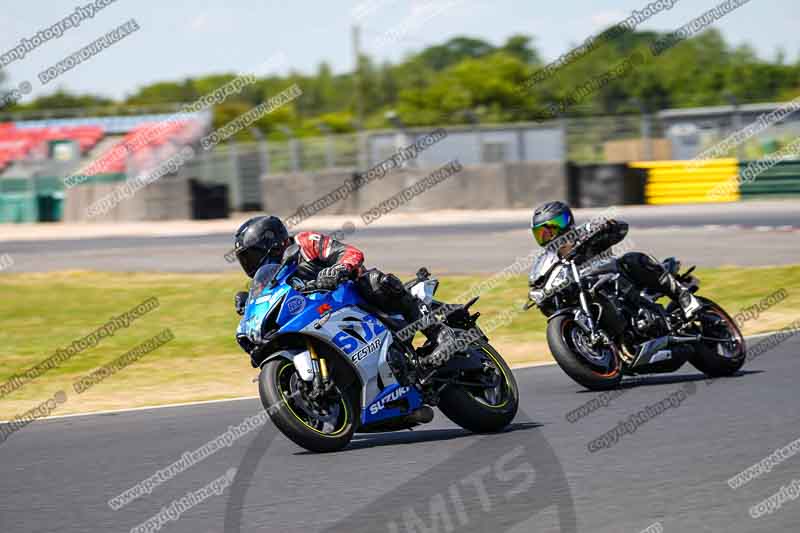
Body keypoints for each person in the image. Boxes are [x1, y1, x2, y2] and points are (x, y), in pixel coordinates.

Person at [231, 216, 457, 367]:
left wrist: (338, 269)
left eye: (252, 256)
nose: (251, 265)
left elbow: (351, 253)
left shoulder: (305, 243)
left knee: (376, 281)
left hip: (349, 295)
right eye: (246, 260)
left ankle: (438, 333)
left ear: (273, 243)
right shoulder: (269, 276)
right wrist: (249, 307)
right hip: (315, 315)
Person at [530, 201, 702, 318]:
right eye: (542, 233)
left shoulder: (584, 232)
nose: (548, 235)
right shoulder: (547, 260)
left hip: (616, 277)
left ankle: (682, 296)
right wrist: (539, 294)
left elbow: (620, 228)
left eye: (552, 228)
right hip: (587, 291)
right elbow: (538, 282)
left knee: (631, 259)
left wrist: (606, 226)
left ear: (567, 221)